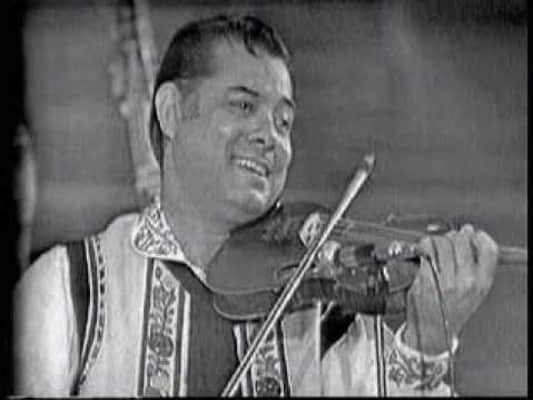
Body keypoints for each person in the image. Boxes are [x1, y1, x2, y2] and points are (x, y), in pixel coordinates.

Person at [13, 15, 499, 397]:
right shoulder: (67, 288)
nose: (271, 137)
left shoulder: (324, 309)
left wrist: (428, 343)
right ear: (171, 111)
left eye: (284, 122)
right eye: (243, 106)